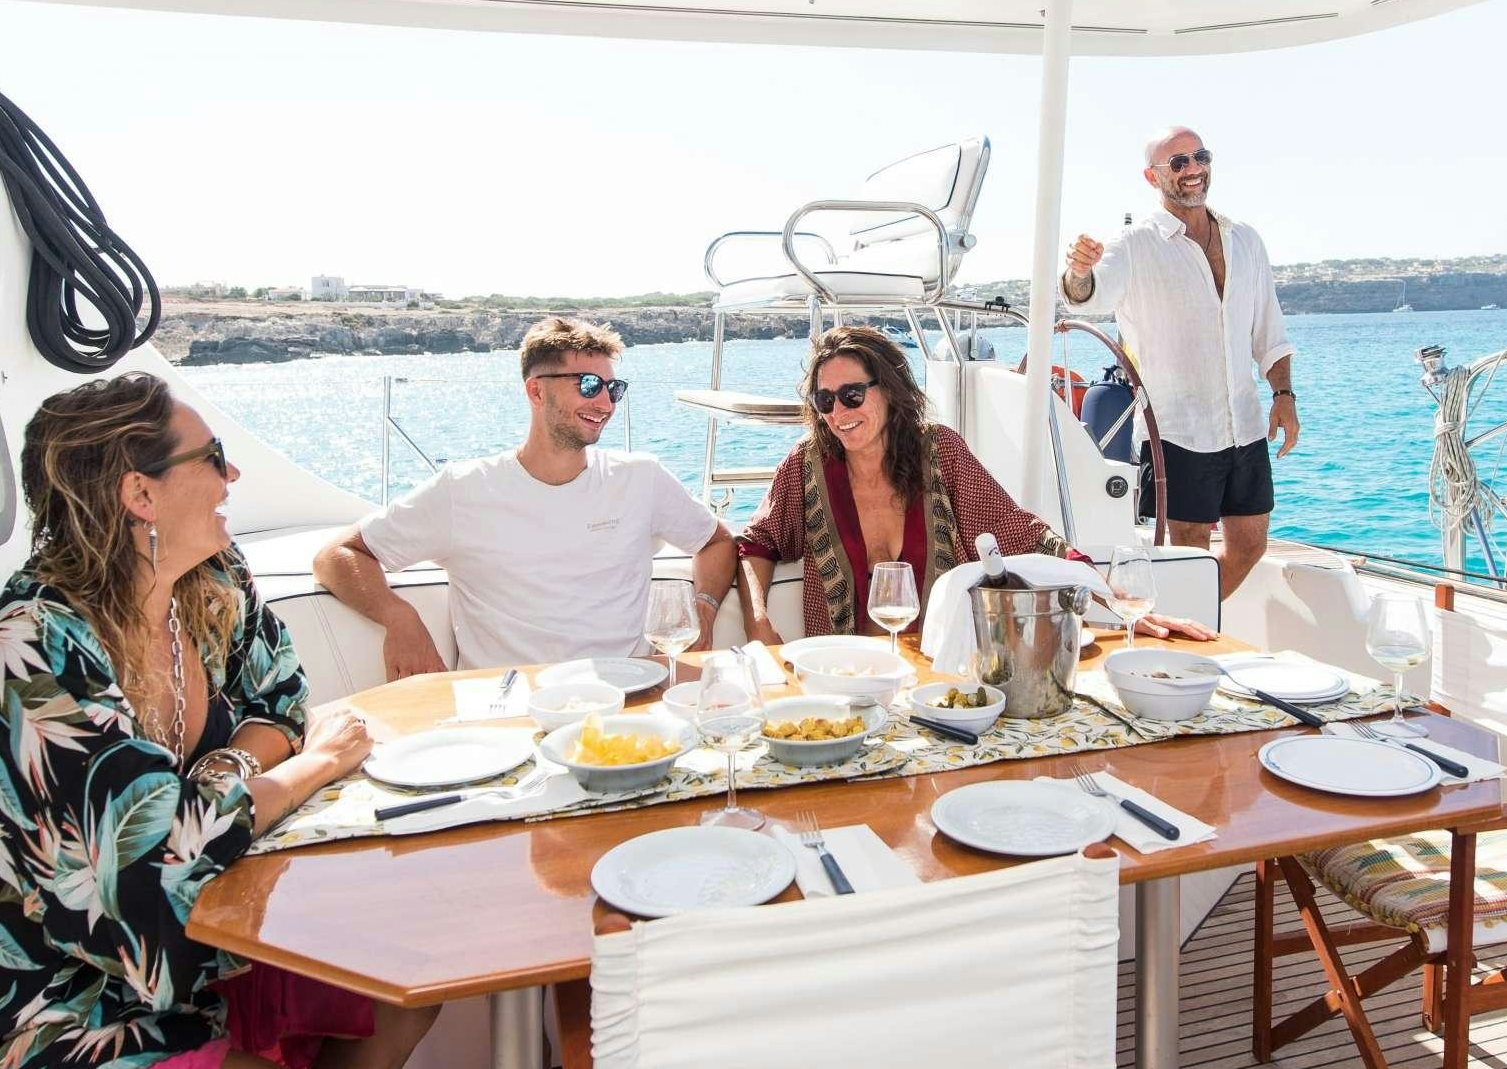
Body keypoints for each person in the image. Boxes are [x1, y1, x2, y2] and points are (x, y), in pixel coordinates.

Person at [0, 374, 433, 1069]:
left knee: (405, 982)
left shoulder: (206, 584)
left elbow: (279, 699)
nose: (233, 478)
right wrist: (300, 772)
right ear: (139, 493)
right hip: (23, 1001)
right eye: (215, 460)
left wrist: (238, 780)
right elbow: (157, 855)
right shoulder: (26, 654)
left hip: (171, 945)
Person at [735, 325, 1212, 644]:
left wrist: (1112, 598)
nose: (838, 413)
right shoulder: (807, 467)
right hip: (845, 678)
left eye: (852, 395)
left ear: (891, 391)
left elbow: (1019, 530)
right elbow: (757, 543)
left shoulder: (939, 453)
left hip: (944, 671)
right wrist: (759, 624)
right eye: (824, 400)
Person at [315, 316, 737, 674]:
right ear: (537, 391)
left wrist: (704, 607)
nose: (607, 403)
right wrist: (399, 617)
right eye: (589, 385)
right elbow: (338, 555)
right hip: (510, 709)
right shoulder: (465, 490)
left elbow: (716, 540)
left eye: (615, 388)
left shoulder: (640, 478)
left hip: (629, 695)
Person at [1063, 126, 1298, 602]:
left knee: (1251, 544)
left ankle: (1192, 621)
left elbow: (1268, 330)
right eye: (1178, 163)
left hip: (1245, 426)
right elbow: (1086, 297)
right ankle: (1187, 634)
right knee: (1186, 551)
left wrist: (1284, 396)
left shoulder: (1245, 240)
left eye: (1199, 157)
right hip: (1178, 430)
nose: (1193, 170)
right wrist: (1079, 272)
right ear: (1153, 177)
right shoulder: (1133, 245)